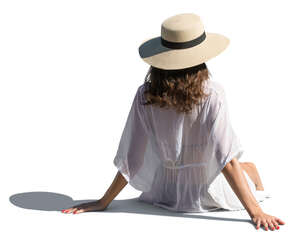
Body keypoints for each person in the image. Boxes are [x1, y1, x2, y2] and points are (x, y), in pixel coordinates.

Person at [61, 13, 285, 231]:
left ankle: (249, 170)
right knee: (227, 163)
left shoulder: (162, 94)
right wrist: (103, 202)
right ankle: (248, 169)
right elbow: (133, 158)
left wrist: (256, 211)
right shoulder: (160, 96)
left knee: (230, 166)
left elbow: (225, 157)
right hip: (168, 191)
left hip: (195, 188)